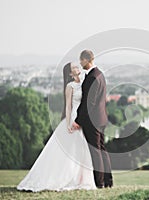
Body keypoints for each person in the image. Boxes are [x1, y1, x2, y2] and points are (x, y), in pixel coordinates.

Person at [17, 62, 96, 192]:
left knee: (81, 149)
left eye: (77, 66)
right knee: (71, 149)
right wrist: (70, 122)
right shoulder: (70, 86)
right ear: (70, 74)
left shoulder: (83, 83)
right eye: (74, 68)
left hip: (82, 119)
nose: (78, 68)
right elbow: (68, 106)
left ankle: (81, 179)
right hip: (74, 119)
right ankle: (66, 178)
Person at [72, 50, 113, 188]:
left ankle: (100, 183)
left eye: (81, 60)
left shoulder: (92, 77)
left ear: (87, 59)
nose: (80, 62)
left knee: (96, 152)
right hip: (101, 118)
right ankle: (108, 181)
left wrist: (78, 120)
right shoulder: (100, 74)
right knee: (102, 150)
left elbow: (89, 103)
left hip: (93, 120)